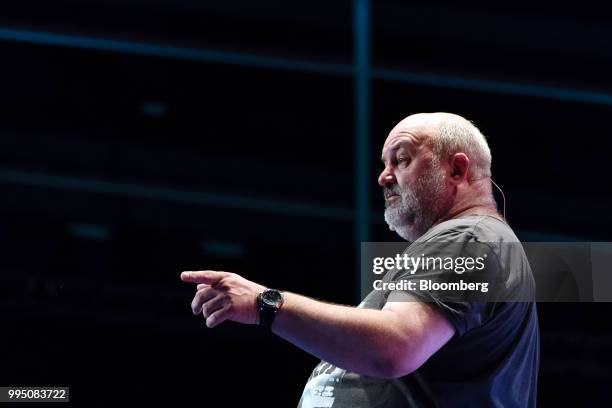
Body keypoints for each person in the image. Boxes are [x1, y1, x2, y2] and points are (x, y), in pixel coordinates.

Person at [180, 112, 540, 407]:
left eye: (401, 159)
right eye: (385, 164)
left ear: (457, 170)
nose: (384, 177)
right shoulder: (467, 242)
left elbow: (394, 347)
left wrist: (266, 304)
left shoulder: (468, 237)